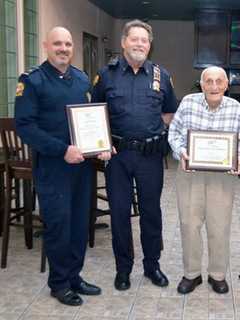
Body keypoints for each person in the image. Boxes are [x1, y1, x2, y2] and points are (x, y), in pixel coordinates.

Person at [15, 27, 111, 306]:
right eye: (58, 43)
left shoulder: (81, 79)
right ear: (47, 45)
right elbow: (25, 127)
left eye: (68, 44)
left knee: (81, 223)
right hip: (52, 166)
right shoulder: (33, 81)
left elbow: (92, 120)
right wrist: (62, 150)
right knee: (59, 225)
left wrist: (101, 144)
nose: (64, 48)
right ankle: (58, 283)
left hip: (82, 166)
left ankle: (74, 276)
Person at [92, 19, 177, 291]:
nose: (140, 44)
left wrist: (153, 135)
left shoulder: (161, 75)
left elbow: (168, 113)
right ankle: (123, 269)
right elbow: (94, 113)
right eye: (135, 39)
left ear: (149, 46)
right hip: (117, 156)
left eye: (144, 40)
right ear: (124, 42)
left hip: (150, 157)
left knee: (151, 212)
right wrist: (101, 142)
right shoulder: (106, 75)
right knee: (119, 213)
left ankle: (152, 265)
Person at [168, 66, 240, 295]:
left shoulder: (236, 108)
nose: (214, 86)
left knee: (219, 226)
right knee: (189, 224)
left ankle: (217, 274)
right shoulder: (189, 102)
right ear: (202, 84)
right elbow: (174, 132)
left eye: (220, 81)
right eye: (209, 81)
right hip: (190, 174)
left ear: (227, 85)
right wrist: (181, 152)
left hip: (223, 177)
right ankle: (192, 274)